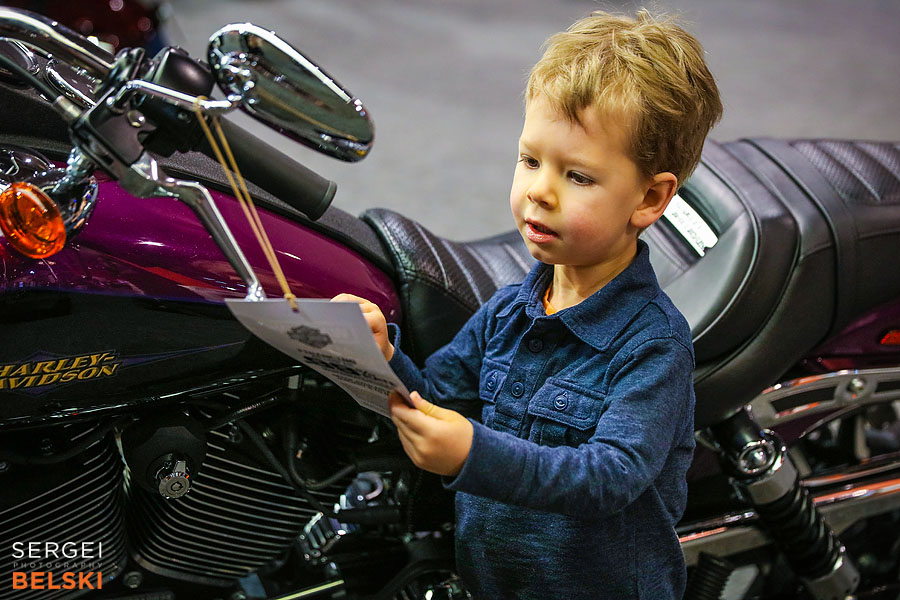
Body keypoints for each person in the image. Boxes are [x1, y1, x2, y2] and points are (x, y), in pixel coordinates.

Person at [334, 9, 722, 599]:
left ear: (648, 197)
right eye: (531, 160)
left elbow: (609, 477)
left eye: (579, 177)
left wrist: (473, 452)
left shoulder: (653, 345)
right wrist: (382, 355)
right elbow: (436, 402)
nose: (539, 190)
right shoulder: (510, 311)